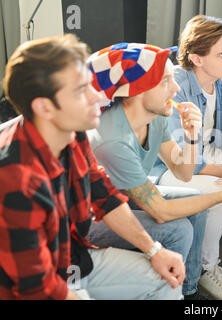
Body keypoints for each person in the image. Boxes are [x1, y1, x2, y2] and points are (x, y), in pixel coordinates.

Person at [0, 34, 185, 300]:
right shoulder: (15, 180)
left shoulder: (73, 132)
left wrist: (154, 250)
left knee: (168, 280)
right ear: (45, 108)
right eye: (80, 91)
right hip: (38, 287)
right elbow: (37, 288)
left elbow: (103, 194)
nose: (98, 95)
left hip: (74, 261)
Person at [85, 42, 222, 300]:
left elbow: (183, 172)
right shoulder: (113, 139)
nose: (176, 89)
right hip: (91, 216)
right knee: (179, 229)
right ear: (135, 91)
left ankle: (189, 287)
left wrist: (193, 137)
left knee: (193, 201)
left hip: (125, 193)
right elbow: (160, 212)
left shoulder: (156, 117)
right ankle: (178, 293)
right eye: (165, 81)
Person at [151, 15, 222, 300]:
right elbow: (181, 159)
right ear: (197, 59)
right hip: (172, 164)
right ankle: (207, 269)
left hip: (205, 149)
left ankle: (217, 261)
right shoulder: (175, 86)